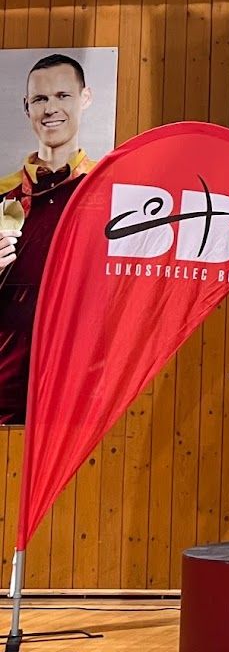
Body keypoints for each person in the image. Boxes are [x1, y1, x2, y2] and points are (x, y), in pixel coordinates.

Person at [0, 54, 95, 425]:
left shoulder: (108, 191)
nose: (51, 108)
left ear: (84, 98)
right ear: (27, 107)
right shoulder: (3, 193)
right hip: (7, 382)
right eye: (40, 99)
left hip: (80, 378)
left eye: (62, 95)